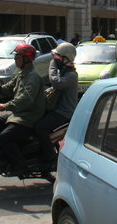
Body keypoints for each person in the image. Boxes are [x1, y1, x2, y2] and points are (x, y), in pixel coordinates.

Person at [0, 43, 45, 175]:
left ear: (27, 59)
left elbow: (25, 99)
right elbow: (6, 88)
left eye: (18, 57)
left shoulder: (33, 77)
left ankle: (21, 166)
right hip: (20, 114)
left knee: (5, 137)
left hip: (29, 116)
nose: (15, 60)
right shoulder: (22, 74)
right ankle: (9, 154)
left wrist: (5, 106)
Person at [34, 42, 78, 171]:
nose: (56, 60)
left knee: (40, 128)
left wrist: (52, 65)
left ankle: (51, 158)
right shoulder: (64, 72)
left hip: (63, 112)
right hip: (56, 109)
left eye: (58, 58)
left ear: (66, 59)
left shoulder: (71, 75)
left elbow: (55, 82)